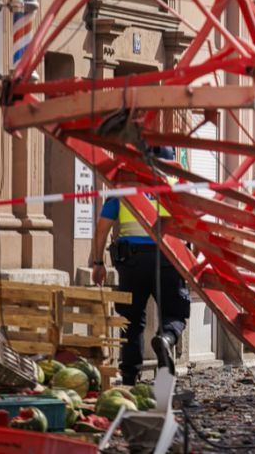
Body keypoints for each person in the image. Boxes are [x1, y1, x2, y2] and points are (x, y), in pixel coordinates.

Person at [91, 146, 191, 385]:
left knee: (131, 320)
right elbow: (192, 224)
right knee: (173, 314)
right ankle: (166, 341)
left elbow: (102, 228)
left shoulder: (124, 188)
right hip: (168, 258)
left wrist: (98, 263)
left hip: (131, 261)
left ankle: (128, 379)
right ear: (170, 164)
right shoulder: (177, 188)